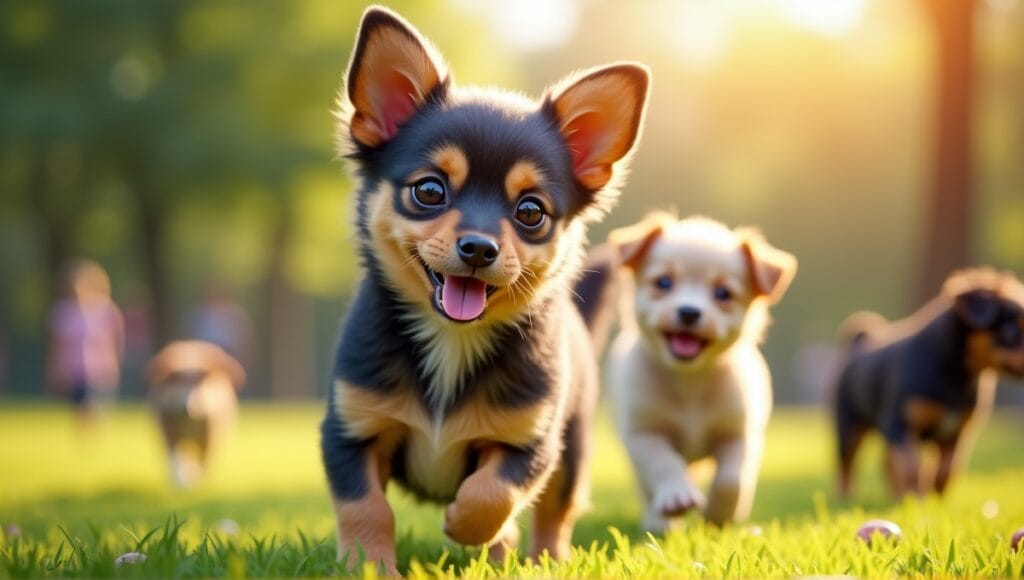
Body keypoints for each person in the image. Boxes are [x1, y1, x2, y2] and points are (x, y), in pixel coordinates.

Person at [46, 259, 125, 429]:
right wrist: (56, 368)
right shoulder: (63, 312)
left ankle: (92, 434)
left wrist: (116, 363)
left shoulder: (106, 310)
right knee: (79, 407)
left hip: (100, 367)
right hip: (74, 368)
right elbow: (58, 344)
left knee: (95, 405)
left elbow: (116, 340)